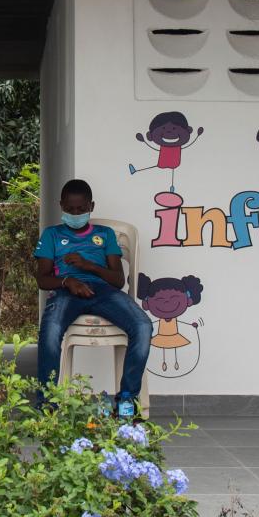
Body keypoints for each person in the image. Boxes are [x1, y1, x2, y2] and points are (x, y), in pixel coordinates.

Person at [31, 179, 153, 418]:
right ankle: (48, 403)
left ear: (91, 206)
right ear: (61, 206)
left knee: (142, 325)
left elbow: (118, 280)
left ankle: (127, 400)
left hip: (103, 291)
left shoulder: (105, 235)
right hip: (66, 292)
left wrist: (88, 266)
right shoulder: (52, 235)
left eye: (81, 209)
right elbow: (42, 279)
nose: (75, 214)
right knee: (50, 331)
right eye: (69, 209)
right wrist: (68, 282)